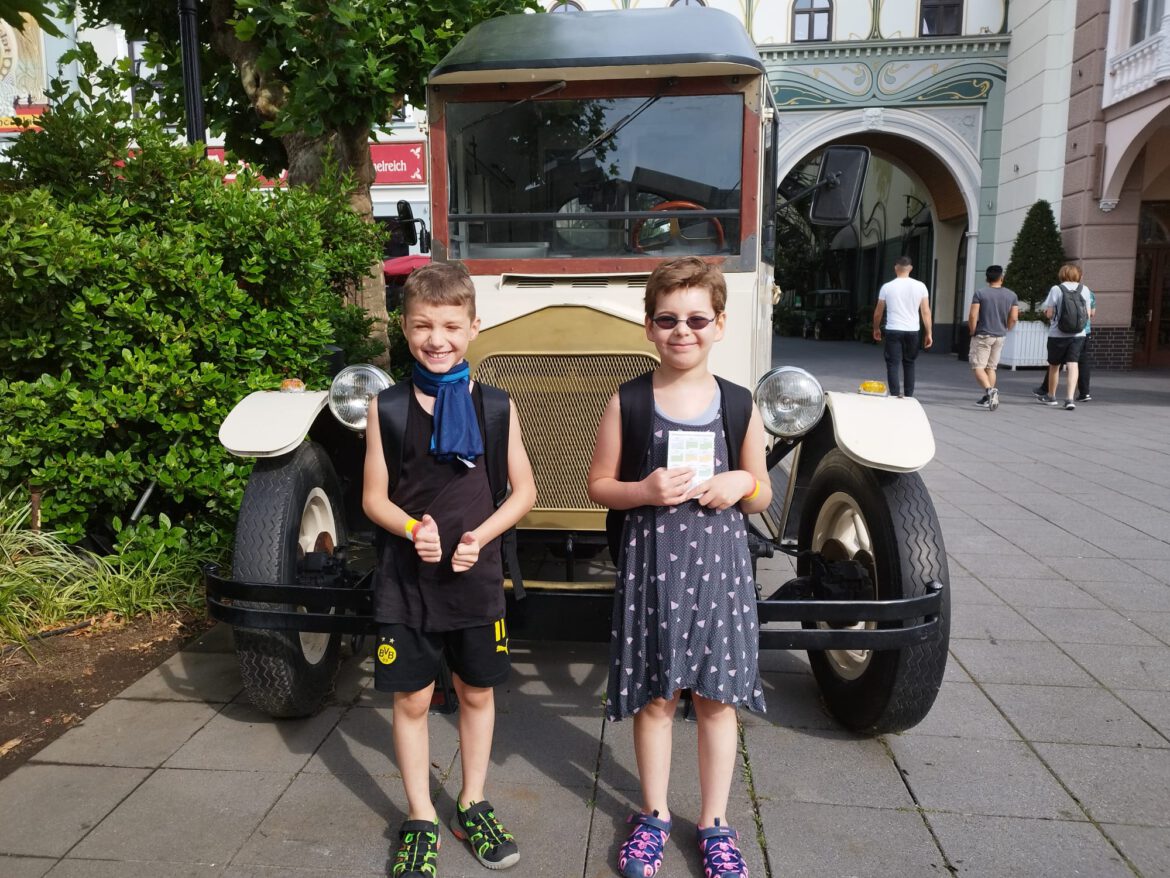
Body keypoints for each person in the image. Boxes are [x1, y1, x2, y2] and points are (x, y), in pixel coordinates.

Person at [587, 256, 771, 878]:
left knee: (718, 701)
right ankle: (654, 814)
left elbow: (765, 492)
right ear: (648, 327)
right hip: (653, 574)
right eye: (667, 319)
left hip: (720, 577)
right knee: (657, 699)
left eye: (697, 319)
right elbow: (601, 485)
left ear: (720, 324)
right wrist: (646, 490)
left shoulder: (739, 404)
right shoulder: (630, 400)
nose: (682, 331)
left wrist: (740, 479)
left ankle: (716, 822)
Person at [362, 262, 537, 877]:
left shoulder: (494, 406)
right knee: (410, 699)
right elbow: (375, 498)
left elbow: (522, 492)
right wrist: (415, 530)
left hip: (476, 576)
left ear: (473, 328)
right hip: (406, 582)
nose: (437, 339)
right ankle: (419, 814)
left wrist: (481, 537)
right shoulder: (386, 408)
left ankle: (472, 800)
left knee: (477, 691)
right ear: (404, 330)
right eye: (423, 326)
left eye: (450, 326)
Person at [1034, 263, 1094, 411]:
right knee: (1073, 365)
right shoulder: (1084, 289)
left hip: (1057, 334)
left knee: (1055, 365)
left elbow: (1049, 313)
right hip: (1078, 334)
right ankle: (1069, 399)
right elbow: (1087, 314)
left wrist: (1050, 316)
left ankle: (1052, 396)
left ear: (1062, 274)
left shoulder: (1056, 289)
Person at [872, 255, 933, 397]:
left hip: (893, 329)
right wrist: (928, 333)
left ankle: (894, 394)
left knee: (893, 363)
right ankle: (909, 396)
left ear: (895, 268)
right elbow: (925, 311)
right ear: (910, 268)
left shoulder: (887, 287)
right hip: (912, 330)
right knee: (909, 363)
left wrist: (876, 328)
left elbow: (878, 312)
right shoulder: (921, 286)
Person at [968, 265, 1019, 410]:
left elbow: (973, 315)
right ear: (1001, 277)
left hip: (983, 334)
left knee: (978, 366)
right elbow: (1014, 317)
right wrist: (1006, 328)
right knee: (991, 367)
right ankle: (988, 397)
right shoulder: (1011, 295)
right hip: (1000, 335)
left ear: (987, 278)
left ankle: (990, 391)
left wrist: (972, 330)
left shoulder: (980, 293)